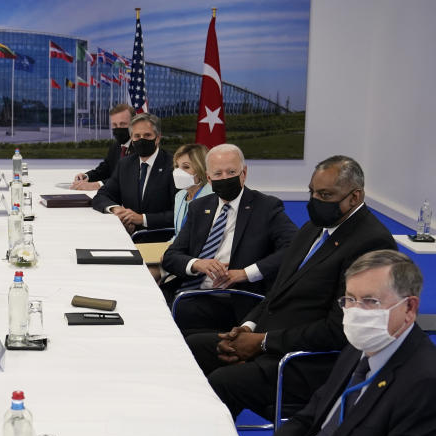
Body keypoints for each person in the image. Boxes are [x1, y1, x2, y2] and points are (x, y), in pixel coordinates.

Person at [186, 155, 397, 420]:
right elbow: (277, 292)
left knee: (223, 381)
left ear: (354, 197)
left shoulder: (370, 243)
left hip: (308, 361)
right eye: (312, 192)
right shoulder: (313, 228)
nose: (315, 201)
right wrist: (247, 328)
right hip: (270, 340)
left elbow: (340, 330)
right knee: (192, 348)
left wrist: (261, 344)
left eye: (325, 195)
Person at [254, 250, 436, 436]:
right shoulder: (360, 345)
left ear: (409, 307)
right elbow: (313, 413)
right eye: (350, 299)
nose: (355, 312)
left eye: (370, 301)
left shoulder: (425, 384)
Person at [162, 144, 298, 333]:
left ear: (244, 173)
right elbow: (171, 256)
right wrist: (197, 264)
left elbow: (295, 248)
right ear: (209, 178)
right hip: (189, 290)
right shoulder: (199, 207)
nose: (225, 178)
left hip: (232, 297)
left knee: (177, 318)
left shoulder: (266, 207)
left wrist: (244, 273)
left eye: (231, 171)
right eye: (218, 174)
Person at [91, 113, 177, 235]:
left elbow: (179, 212)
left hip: (161, 239)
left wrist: (142, 219)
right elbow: (101, 196)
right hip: (128, 234)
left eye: (147, 135)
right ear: (131, 138)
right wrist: (117, 210)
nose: (142, 139)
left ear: (157, 138)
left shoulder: (173, 166)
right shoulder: (125, 164)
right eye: (137, 136)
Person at [70, 104, 134, 190]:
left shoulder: (140, 148)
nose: (118, 128)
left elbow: (128, 178)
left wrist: (97, 185)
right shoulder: (116, 146)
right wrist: (87, 176)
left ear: (133, 124)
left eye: (122, 124)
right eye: (114, 125)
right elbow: (105, 169)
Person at [169, 144, 211, 237]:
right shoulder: (180, 195)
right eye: (177, 166)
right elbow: (178, 235)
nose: (178, 172)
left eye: (186, 167)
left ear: (201, 168)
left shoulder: (212, 197)